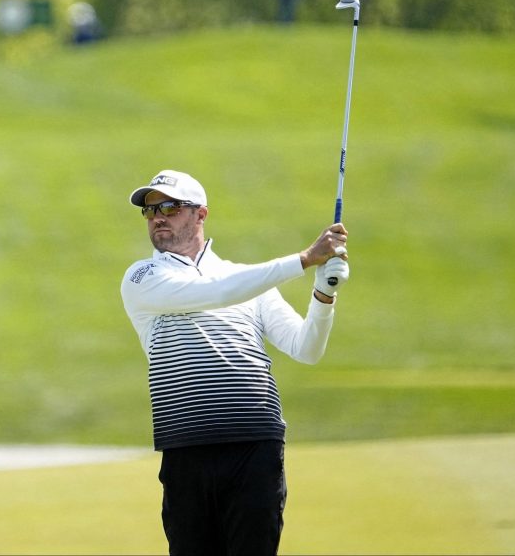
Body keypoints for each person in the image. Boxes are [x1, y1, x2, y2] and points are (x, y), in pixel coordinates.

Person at [120, 169, 349, 556]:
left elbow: (306, 348)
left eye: (170, 207)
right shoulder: (143, 277)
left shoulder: (247, 281)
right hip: (187, 445)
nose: (158, 216)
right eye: (150, 210)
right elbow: (216, 292)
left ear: (200, 214)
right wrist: (306, 259)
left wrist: (324, 294)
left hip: (256, 444)